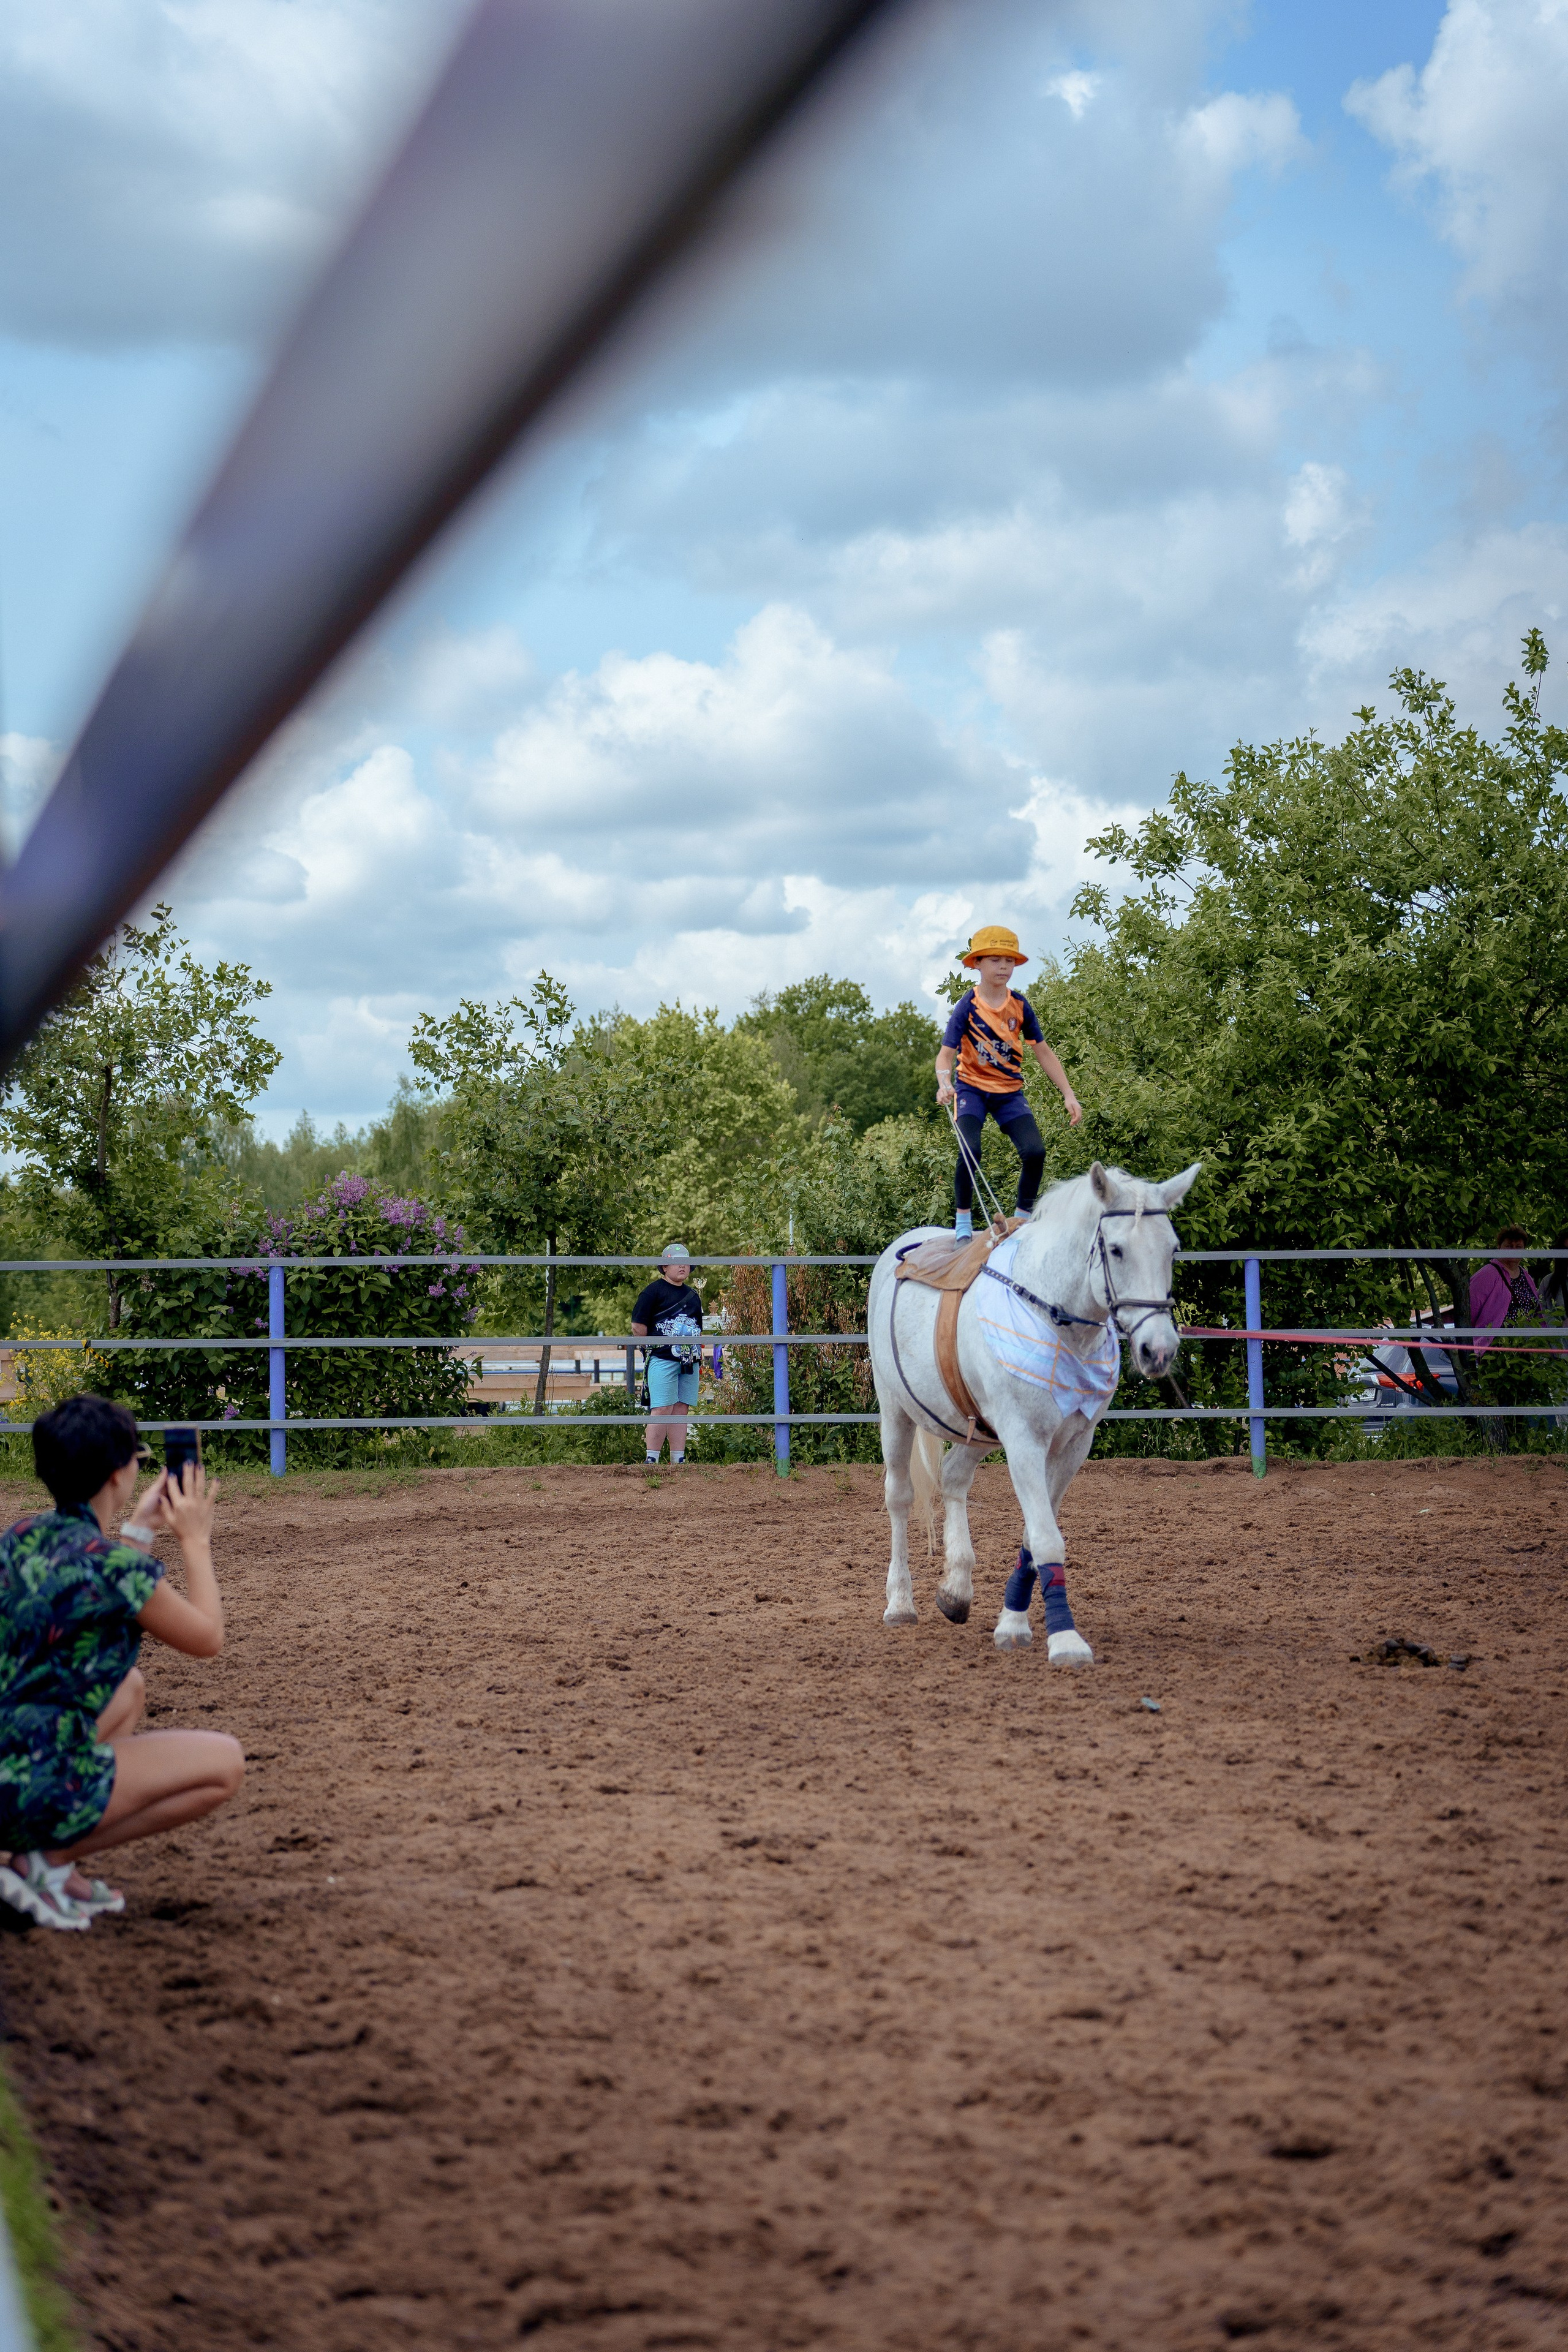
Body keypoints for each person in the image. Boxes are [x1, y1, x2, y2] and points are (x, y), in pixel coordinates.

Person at [0, 1395, 243, 1932]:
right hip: (35, 1783)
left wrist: (138, 1531)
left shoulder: (17, 1539)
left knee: (128, 1686)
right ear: (120, 1472)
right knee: (224, 1764)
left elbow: (87, 1580)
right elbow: (207, 1638)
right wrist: (194, 1539)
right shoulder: (116, 1572)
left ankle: (24, 1855)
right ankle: (44, 1859)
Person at [936, 925, 1083, 1240]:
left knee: (1035, 1152)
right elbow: (945, 1056)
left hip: (1008, 1093)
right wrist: (944, 1083)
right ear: (977, 963)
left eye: (1009, 961)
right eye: (995, 960)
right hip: (972, 1089)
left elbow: (1043, 1052)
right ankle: (963, 1221)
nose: (1004, 967)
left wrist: (1069, 1094)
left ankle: (1020, 1221)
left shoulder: (1019, 1005)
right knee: (970, 1149)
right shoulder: (968, 1006)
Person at [630, 1244, 705, 1466]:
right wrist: (651, 1349)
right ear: (664, 1266)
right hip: (663, 1358)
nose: (682, 1266)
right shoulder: (652, 1291)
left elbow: (697, 1328)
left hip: (689, 1360)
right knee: (662, 1407)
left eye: (686, 1262)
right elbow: (638, 1326)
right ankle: (651, 1460)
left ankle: (677, 1461)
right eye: (676, 1261)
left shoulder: (693, 1296)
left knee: (682, 1408)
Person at [1469, 1226, 1541, 1352]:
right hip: (1495, 1349)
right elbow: (1469, 1311)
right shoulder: (1488, 1274)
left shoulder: (1526, 1277)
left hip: (1525, 1349)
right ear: (1499, 1247)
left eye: (1518, 1247)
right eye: (1509, 1246)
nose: (1514, 1250)